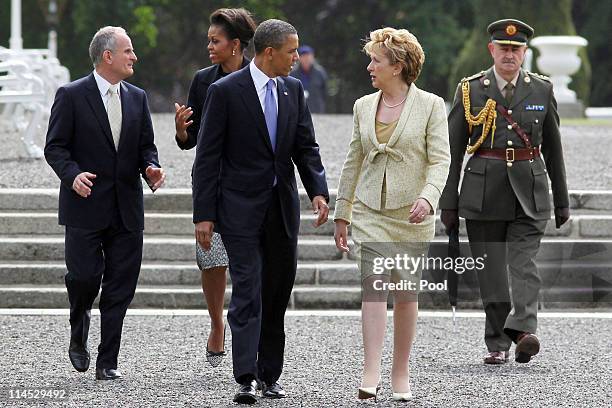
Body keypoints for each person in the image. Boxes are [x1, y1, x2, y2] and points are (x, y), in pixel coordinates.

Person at [192, 19, 329, 404]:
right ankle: (246, 376)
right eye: (291, 52)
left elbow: (306, 147)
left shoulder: (294, 89)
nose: (296, 58)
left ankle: (271, 375)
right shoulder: (225, 92)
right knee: (248, 291)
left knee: (276, 291)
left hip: (282, 210)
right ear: (269, 52)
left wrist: (318, 191)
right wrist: (203, 214)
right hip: (238, 210)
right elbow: (207, 158)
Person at [439, 19, 570, 365]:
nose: (510, 54)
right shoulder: (470, 90)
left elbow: (554, 149)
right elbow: (452, 152)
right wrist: (448, 202)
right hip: (483, 191)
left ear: (525, 52)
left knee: (524, 265)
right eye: (504, 48)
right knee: (493, 270)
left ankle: (524, 331)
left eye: (516, 49)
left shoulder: (542, 89)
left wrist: (561, 200)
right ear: (491, 50)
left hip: (531, 189)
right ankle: (497, 341)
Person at [334, 27, 450, 401]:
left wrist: (429, 198)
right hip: (370, 211)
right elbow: (353, 162)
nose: (369, 66)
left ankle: (401, 371)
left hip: (411, 215)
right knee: (374, 284)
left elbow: (440, 160)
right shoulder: (362, 106)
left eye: (376, 60)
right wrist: (343, 213)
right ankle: (371, 370)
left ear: (397, 66)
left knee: (404, 293)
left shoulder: (431, 105)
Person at [44, 26, 165, 380]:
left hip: (127, 208)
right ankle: (78, 321)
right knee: (83, 278)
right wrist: (72, 175)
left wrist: (151, 168)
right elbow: (55, 147)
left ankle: (107, 361)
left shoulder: (138, 97)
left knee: (120, 287)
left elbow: (146, 146)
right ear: (108, 56)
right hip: (84, 206)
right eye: (128, 51)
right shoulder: (70, 95)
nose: (134, 57)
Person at [173, 7, 256, 368]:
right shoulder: (203, 81)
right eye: (208, 40)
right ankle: (216, 322)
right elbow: (191, 141)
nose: (209, 46)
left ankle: (247, 329)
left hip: (250, 185)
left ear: (236, 45)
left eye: (215, 41)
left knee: (249, 263)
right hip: (211, 183)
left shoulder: (261, 78)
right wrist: (180, 130)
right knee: (211, 259)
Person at [290, 45, 328, 113]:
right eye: (303, 56)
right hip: (297, 110)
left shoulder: (320, 73)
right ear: (299, 58)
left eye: (308, 56)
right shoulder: (292, 73)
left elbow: (324, 92)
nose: (306, 59)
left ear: (313, 57)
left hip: (317, 109)